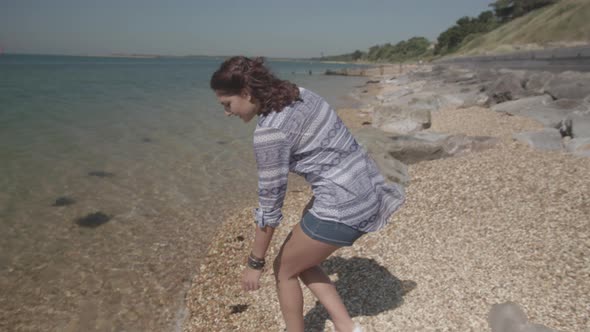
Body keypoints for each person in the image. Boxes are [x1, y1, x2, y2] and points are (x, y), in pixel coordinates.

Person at [210, 56, 405, 332]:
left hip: (343, 204)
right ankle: (345, 326)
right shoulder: (300, 94)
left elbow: (270, 206)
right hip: (368, 185)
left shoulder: (269, 133)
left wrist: (255, 262)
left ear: (246, 93)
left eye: (227, 105)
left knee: (284, 269)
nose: (227, 113)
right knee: (301, 258)